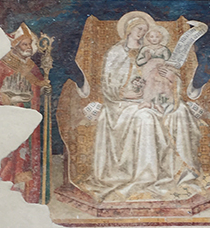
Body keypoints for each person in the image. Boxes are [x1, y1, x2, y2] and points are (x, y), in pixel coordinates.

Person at [87, 11, 203, 201]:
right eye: (139, 29)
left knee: (180, 111)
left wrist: (168, 75)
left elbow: (173, 75)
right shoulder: (116, 52)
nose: (142, 33)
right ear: (129, 29)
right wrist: (128, 94)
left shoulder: (153, 49)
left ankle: (180, 172)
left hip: (157, 95)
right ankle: (147, 176)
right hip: (122, 103)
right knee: (146, 117)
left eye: (145, 31)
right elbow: (108, 85)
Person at [0, 23, 50, 203]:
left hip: (28, 117)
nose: (28, 48)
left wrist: (43, 89)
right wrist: (11, 99)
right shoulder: (2, 64)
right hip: (8, 118)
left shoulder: (31, 66)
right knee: (10, 154)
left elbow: (37, 87)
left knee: (27, 155)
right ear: (15, 46)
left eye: (29, 44)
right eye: (24, 44)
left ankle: (26, 195)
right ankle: (6, 189)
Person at [136, 25, 178, 114]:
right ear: (148, 38)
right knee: (149, 84)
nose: (154, 39)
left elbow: (168, 61)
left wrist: (164, 65)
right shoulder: (145, 49)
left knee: (158, 85)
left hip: (160, 69)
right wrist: (146, 59)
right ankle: (147, 102)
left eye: (157, 37)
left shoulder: (164, 49)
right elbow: (138, 61)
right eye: (152, 37)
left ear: (161, 38)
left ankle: (157, 103)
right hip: (148, 69)